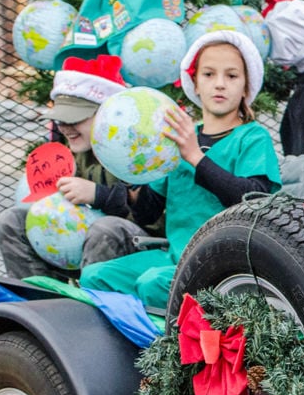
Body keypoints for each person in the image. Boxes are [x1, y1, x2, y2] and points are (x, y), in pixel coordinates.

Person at [79, 30, 281, 308]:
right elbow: (148, 210)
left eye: (231, 76)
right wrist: (130, 170)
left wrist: (196, 158)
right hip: (174, 257)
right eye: (208, 74)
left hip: (223, 266)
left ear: (246, 86)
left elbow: (254, 200)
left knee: (153, 284)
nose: (219, 84)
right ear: (194, 83)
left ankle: (165, 350)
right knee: (96, 277)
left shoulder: (252, 137)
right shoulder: (178, 138)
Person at [0, 55, 161, 280]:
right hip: (76, 243)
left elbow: (153, 215)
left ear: (107, 115)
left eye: (75, 119)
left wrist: (98, 195)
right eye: (61, 120)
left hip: (139, 249)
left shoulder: (135, 150)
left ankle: (90, 309)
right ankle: (37, 302)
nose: (65, 128)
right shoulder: (73, 153)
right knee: (12, 220)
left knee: (105, 229)